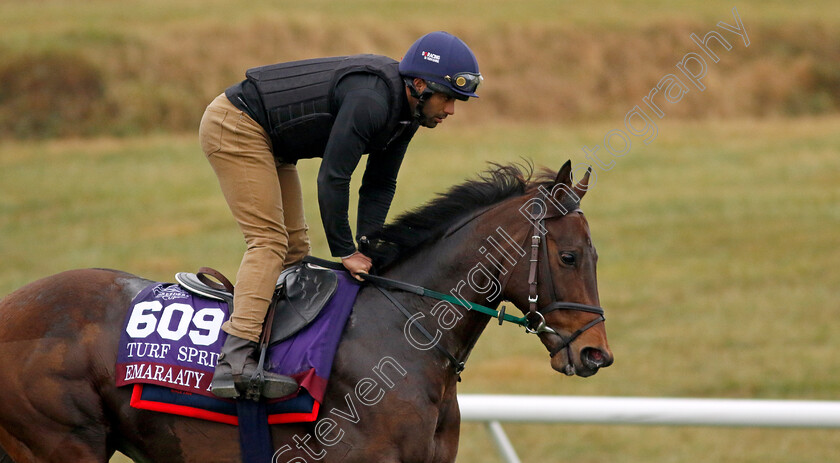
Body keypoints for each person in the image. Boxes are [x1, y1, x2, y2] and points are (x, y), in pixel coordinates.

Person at [198, 31, 482, 399]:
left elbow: (379, 184)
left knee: (295, 248)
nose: (450, 111)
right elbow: (334, 177)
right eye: (447, 98)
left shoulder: (407, 114)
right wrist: (346, 251)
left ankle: (276, 348)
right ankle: (234, 363)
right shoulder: (371, 101)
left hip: (274, 140)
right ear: (419, 85)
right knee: (269, 242)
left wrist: (372, 249)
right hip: (237, 124)